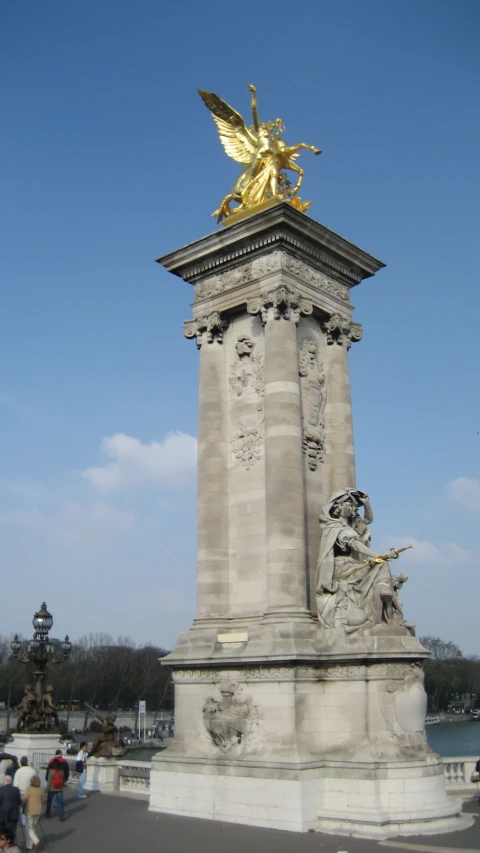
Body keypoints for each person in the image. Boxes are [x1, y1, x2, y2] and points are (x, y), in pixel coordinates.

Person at [22, 775, 43, 852]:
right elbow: (42, 799)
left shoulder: (29, 789)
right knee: (33, 827)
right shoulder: (40, 790)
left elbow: (24, 800)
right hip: (38, 811)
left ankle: (36, 841)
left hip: (30, 811)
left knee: (28, 828)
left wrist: (20, 805)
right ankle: (29, 845)